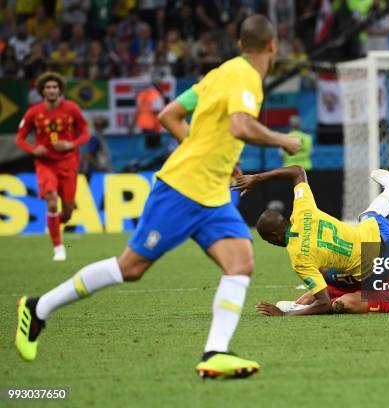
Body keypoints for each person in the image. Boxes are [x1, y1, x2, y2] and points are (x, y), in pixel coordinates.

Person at [15, 15, 301, 380]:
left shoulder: (219, 73)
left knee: (240, 263)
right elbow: (240, 125)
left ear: (241, 45)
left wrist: (211, 154)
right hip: (182, 187)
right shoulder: (247, 77)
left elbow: (170, 115)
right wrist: (283, 140)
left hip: (212, 192)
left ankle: (215, 352)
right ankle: (38, 308)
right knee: (130, 267)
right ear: (273, 46)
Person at [233, 165, 389, 316]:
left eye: (267, 240)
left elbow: (323, 303)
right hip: (386, 240)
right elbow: (297, 171)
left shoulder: (299, 258)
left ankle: (301, 306)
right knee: (368, 215)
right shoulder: (303, 209)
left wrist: (285, 315)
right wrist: (257, 178)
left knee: (325, 275)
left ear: (274, 237)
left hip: (378, 271)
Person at [15, 71, 90, 261]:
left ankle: (58, 223)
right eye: (48, 87)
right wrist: (33, 150)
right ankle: (58, 248)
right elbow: (20, 139)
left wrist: (71, 144)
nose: (51, 90)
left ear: (60, 90)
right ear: (42, 90)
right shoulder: (33, 112)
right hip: (45, 164)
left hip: (68, 163)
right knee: (51, 201)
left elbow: (85, 133)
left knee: (67, 212)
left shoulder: (72, 108)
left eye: (54, 87)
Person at [134, 75, 165, 149]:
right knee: (155, 149)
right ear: (158, 85)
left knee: (148, 148)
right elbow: (157, 111)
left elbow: (138, 109)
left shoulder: (142, 94)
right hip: (153, 126)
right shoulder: (156, 95)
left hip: (143, 124)